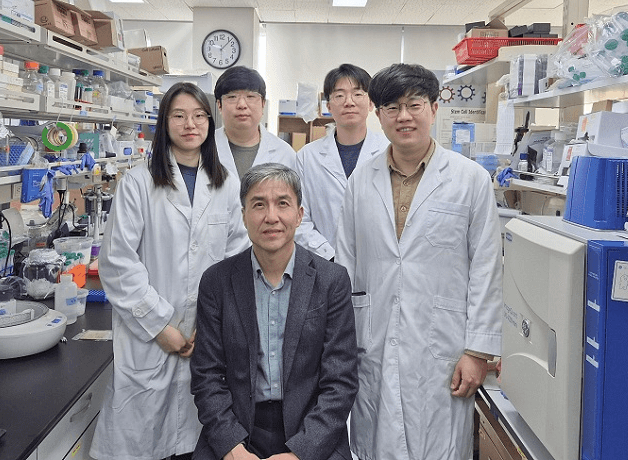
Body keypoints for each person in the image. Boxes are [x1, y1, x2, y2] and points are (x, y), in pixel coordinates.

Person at [335, 63, 502, 460]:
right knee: (375, 443)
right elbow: (344, 261)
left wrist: (478, 351)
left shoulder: (470, 179)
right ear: (379, 115)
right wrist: (338, 342)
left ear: (434, 107)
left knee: (437, 446)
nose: (404, 116)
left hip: (443, 344)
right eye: (392, 107)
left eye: (414, 104)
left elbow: (486, 268)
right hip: (372, 338)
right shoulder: (362, 179)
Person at [90, 82, 249, 460]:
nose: (189, 124)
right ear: (165, 123)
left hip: (206, 334)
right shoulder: (138, 183)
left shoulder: (226, 184)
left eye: (198, 115)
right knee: (145, 443)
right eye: (178, 116)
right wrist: (161, 326)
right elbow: (118, 260)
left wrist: (210, 323)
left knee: (200, 440)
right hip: (148, 336)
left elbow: (237, 255)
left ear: (211, 122)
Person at [190, 163, 358, 460]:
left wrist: (301, 452)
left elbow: (340, 382)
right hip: (238, 428)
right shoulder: (217, 281)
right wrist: (231, 447)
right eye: (258, 204)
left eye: (283, 203)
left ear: (299, 215)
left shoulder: (331, 280)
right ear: (243, 216)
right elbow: (207, 376)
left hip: (310, 431)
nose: (271, 217)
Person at [295, 64, 388, 260]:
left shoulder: (389, 151)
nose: (349, 102)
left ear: (371, 103)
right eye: (339, 95)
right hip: (322, 262)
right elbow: (298, 218)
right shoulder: (307, 157)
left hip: (379, 262)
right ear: (328, 106)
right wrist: (328, 255)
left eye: (358, 94)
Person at [214, 66, 297, 181]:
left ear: (263, 104)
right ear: (219, 105)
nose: (242, 105)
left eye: (250, 96)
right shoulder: (201, 149)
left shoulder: (284, 154)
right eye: (232, 97)